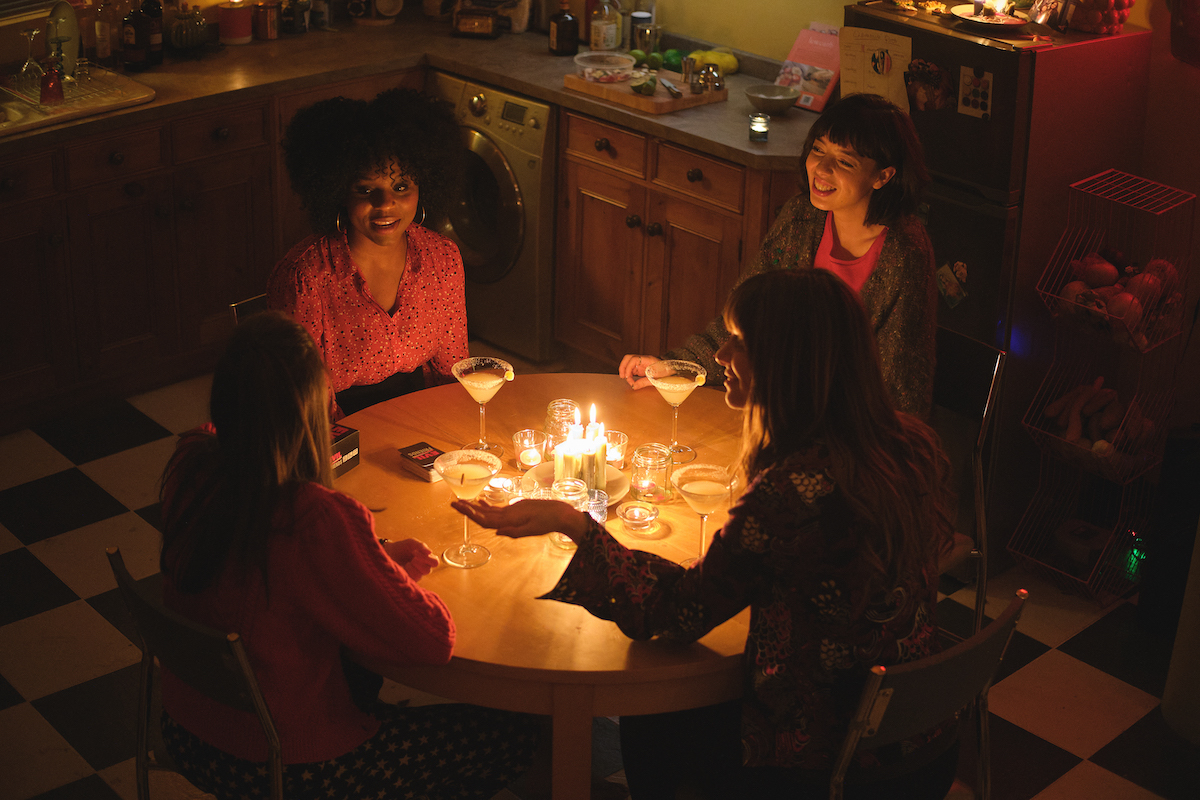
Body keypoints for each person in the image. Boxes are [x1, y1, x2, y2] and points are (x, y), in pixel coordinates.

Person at [455, 269, 959, 799]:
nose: (720, 356)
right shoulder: (907, 447)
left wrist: (573, 523)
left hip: (827, 764)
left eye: (739, 342)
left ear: (786, 362)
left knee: (656, 715)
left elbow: (678, 612)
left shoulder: (792, 493)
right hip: (917, 743)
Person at [157, 311, 538, 799]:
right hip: (289, 762)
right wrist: (378, 567)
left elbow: (284, 575)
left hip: (189, 731)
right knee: (517, 730)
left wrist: (368, 557)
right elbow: (432, 639)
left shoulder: (191, 466)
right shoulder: (312, 517)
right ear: (311, 411)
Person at [620, 93, 937, 418]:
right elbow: (746, 318)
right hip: (779, 413)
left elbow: (900, 387)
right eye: (818, 150)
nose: (822, 169)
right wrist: (679, 367)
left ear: (883, 175)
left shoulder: (904, 253)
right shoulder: (802, 217)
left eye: (845, 161)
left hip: (845, 431)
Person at [268, 87, 468, 419]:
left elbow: (452, 372)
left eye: (401, 187)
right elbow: (304, 405)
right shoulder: (306, 278)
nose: (385, 203)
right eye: (365, 189)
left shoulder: (443, 258)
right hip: (338, 436)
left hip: (424, 426)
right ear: (337, 192)